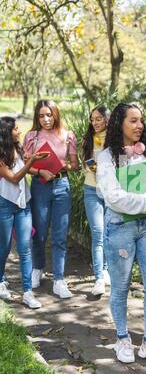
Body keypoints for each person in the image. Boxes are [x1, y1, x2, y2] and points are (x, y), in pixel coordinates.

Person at [98, 102, 146, 365]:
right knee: (120, 287)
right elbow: (114, 198)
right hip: (119, 229)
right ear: (120, 124)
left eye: (141, 121)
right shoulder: (106, 158)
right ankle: (122, 339)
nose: (139, 126)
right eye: (133, 121)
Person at [23, 100, 79, 299]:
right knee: (39, 233)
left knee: (60, 235)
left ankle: (59, 280)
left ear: (56, 114)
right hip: (40, 186)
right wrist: (40, 170)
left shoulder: (68, 136)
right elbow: (25, 166)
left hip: (62, 186)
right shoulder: (32, 137)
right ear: (37, 117)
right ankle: (37, 269)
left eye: (49, 115)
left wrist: (63, 166)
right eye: (41, 116)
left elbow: (75, 165)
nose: (46, 119)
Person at [0, 117, 48, 308]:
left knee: (25, 248)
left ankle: (28, 292)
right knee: (4, 247)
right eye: (15, 128)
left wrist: (35, 164)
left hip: (23, 204)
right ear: (6, 132)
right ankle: (1, 281)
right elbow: (13, 178)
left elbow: (24, 170)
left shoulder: (18, 149)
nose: (19, 130)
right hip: (5, 204)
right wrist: (31, 163)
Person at [82, 105, 110, 296]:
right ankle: (99, 277)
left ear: (107, 119)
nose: (95, 122)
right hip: (91, 189)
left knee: (109, 231)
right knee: (98, 232)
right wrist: (96, 169)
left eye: (98, 118)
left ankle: (107, 269)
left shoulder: (115, 139)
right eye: (92, 119)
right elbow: (86, 162)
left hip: (111, 192)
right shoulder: (88, 140)